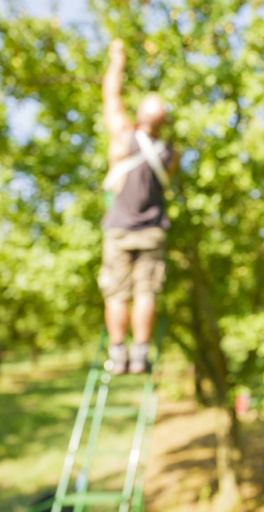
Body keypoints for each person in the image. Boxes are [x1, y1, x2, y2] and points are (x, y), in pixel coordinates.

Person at [97, 39, 179, 375]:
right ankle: (140, 354)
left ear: (138, 117)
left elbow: (111, 97)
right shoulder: (170, 154)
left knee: (117, 293)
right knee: (146, 291)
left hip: (118, 228)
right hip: (152, 231)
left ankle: (117, 355)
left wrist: (117, 59)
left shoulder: (122, 137)